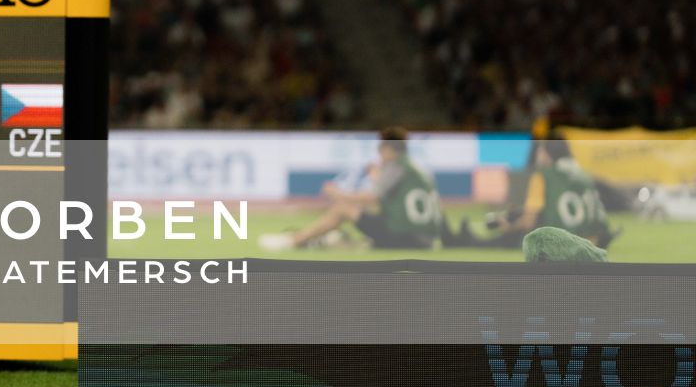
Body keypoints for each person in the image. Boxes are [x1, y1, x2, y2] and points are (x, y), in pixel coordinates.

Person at [260, 126, 444, 251]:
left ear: (388, 149)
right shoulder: (414, 167)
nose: (379, 153)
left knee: (343, 209)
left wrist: (339, 194)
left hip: (407, 237)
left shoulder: (396, 166)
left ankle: (293, 241)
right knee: (361, 218)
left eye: (380, 148)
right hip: (424, 238)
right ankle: (328, 239)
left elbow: (373, 197)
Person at [453, 137, 614, 250]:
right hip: (593, 239)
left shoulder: (543, 175)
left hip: (559, 242)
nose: (538, 154)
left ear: (549, 154)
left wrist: (508, 227)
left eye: (541, 150)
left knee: (514, 234)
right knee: (519, 213)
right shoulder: (583, 174)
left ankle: (467, 239)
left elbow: (529, 222)